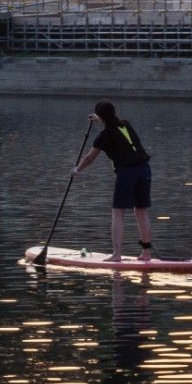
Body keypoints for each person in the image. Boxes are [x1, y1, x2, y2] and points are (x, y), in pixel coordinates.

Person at [73, 101, 153, 263]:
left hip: (127, 173)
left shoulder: (104, 136)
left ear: (102, 116)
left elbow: (89, 158)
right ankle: (146, 254)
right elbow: (111, 121)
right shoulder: (125, 124)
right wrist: (99, 118)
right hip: (144, 170)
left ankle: (117, 255)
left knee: (118, 213)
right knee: (141, 212)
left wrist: (76, 170)